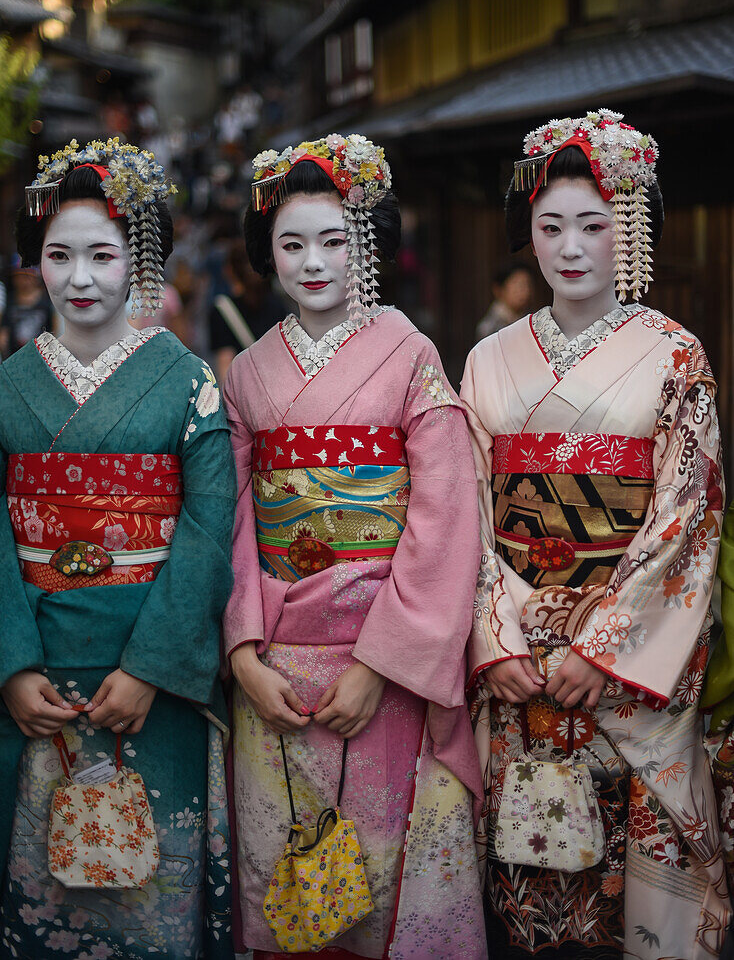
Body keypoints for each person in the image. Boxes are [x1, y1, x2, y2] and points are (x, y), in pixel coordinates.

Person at [461, 109, 731, 958]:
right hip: (520, 663)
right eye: (551, 227)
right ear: (527, 236)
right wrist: (497, 639)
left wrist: (601, 644)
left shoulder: (673, 351)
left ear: (631, 229)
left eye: (594, 225)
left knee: (640, 903)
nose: (571, 246)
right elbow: (463, 505)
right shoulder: (487, 359)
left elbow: (689, 513)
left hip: (626, 666)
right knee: (531, 885)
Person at [224, 134, 487, 959]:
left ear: (368, 244)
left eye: (335, 240)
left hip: (386, 660)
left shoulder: (412, 356)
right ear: (265, 251)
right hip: (275, 664)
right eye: (291, 242)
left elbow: (444, 515)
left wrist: (383, 662)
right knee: (284, 883)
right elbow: (229, 518)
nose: (312, 262)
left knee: (390, 881)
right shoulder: (247, 374)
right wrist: (241, 653)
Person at [0, 138, 237, 958]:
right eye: (58, 255)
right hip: (36, 678)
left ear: (137, 262)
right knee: (34, 898)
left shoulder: (189, 380)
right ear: (35, 261)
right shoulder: (8, 384)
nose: (81, 277)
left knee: (153, 908)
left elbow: (208, 528)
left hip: (152, 684)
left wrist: (149, 668)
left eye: (103, 254)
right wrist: (13, 665)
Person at [209, 238, 288, 380]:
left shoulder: (222, 310)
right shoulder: (279, 306)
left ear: (230, 270)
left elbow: (225, 368)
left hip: (244, 392)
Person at [0, 257, 54, 358]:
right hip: (14, 353)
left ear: (36, 277)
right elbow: (5, 326)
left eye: (26, 276)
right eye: (18, 276)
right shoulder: (10, 299)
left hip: (39, 353)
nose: (23, 281)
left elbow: (53, 327)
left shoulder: (47, 300)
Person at [475, 260, 534, 341]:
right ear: (499, 289)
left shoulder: (532, 320)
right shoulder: (490, 327)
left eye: (527, 284)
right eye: (516, 284)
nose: (524, 290)